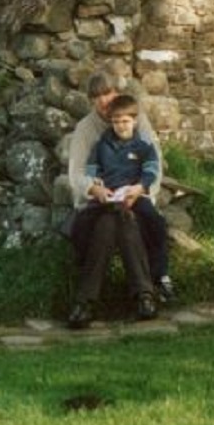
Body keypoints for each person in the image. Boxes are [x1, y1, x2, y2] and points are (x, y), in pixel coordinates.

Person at [65, 69, 175, 302]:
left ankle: (158, 280)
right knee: (104, 224)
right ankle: (138, 296)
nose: (104, 100)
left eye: (108, 93)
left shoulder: (137, 119)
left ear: (117, 92)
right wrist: (95, 189)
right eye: (97, 97)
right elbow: (77, 173)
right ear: (92, 100)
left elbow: (153, 162)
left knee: (148, 221)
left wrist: (141, 189)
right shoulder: (87, 130)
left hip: (133, 193)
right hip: (103, 197)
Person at [66, 94, 160, 329]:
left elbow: (153, 171)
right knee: (109, 224)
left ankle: (85, 303)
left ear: (134, 120)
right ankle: (144, 296)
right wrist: (95, 187)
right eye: (116, 121)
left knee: (125, 222)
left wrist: (139, 190)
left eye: (125, 121)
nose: (121, 125)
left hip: (134, 201)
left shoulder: (143, 141)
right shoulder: (97, 141)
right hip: (106, 202)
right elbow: (85, 173)